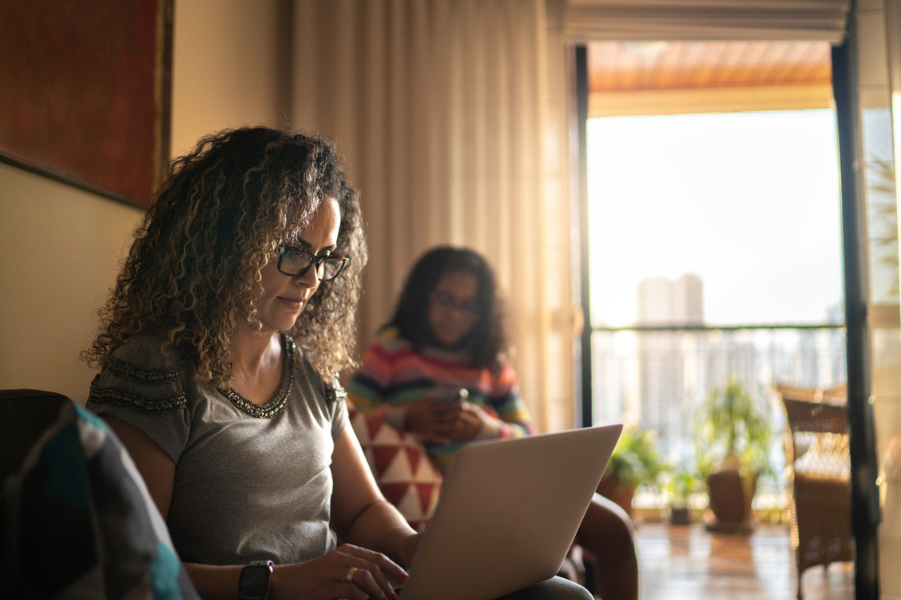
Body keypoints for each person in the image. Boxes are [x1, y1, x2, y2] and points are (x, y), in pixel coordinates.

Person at [84, 127, 592, 600]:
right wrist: (280, 583)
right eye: (292, 250)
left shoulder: (309, 373)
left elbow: (366, 509)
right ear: (227, 243)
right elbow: (133, 565)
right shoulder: (155, 371)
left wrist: (415, 546)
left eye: (326, 257)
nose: (312, 278)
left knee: (561, 595)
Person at [348, 246, 639, 600]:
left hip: (505, 488)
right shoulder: (392, 348)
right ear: (422, 296)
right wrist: (409, 417)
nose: (455, 314)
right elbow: (351, 415)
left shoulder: (491, 363)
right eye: (445, 299)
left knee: (615, 529)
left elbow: (528, 435)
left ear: (482, 312)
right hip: (456, 500)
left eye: (468, 305)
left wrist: (482, 428)